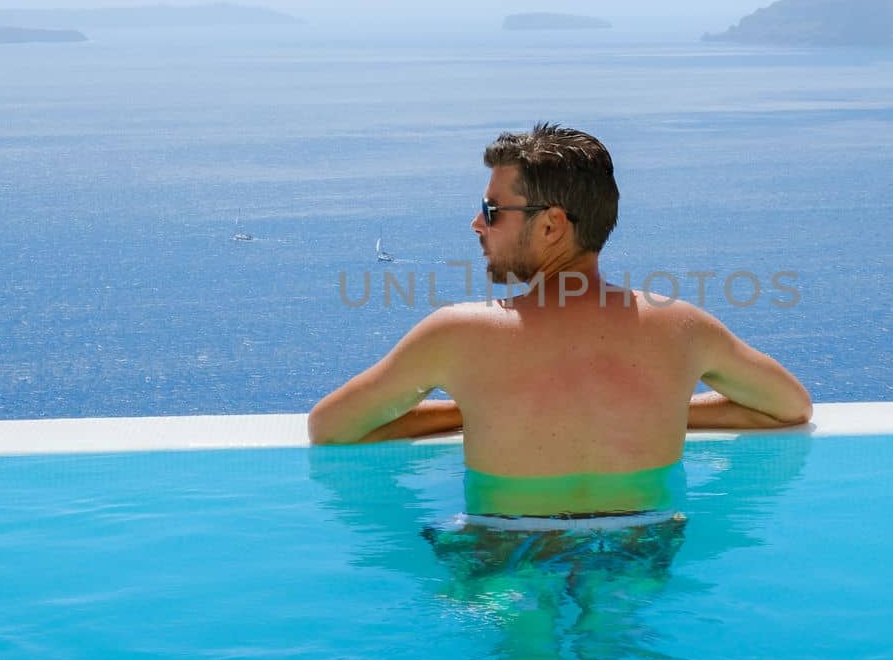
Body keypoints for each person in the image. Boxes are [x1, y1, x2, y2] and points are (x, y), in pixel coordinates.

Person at [307, 122, 811, 516]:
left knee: (522, 639)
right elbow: (789, 407)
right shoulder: (682, 327)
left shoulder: (459, 334)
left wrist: (477, 412)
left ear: (550, 225)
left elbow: (331, 428)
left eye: (492, 208)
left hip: (507, 553)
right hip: (639, 550)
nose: (477, 224)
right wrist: (669, 407)